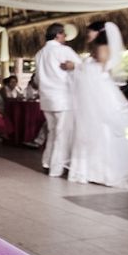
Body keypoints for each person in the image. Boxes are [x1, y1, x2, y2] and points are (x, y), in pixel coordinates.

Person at [68, 21, 128, 188]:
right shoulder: (98, 48)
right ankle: (91, 170)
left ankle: (102, 171)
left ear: (99, 32)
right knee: (94, 127)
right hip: (97, 91)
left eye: (90, 32)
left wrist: (75, 66)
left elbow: (97, 72)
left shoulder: (102, 48)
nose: (88, 35)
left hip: (99, 93)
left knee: (99, 127)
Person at [34, 23, 82, 177]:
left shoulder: (39, 54)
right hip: (62, 97)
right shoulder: (63, 50)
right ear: (58, 35)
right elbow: (83, 66)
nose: (66, 37)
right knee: (62, 134)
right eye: (64, 34)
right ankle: (56, 168)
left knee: (53, 131)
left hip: (46, 98)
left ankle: (47, 163)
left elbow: (36, 78)